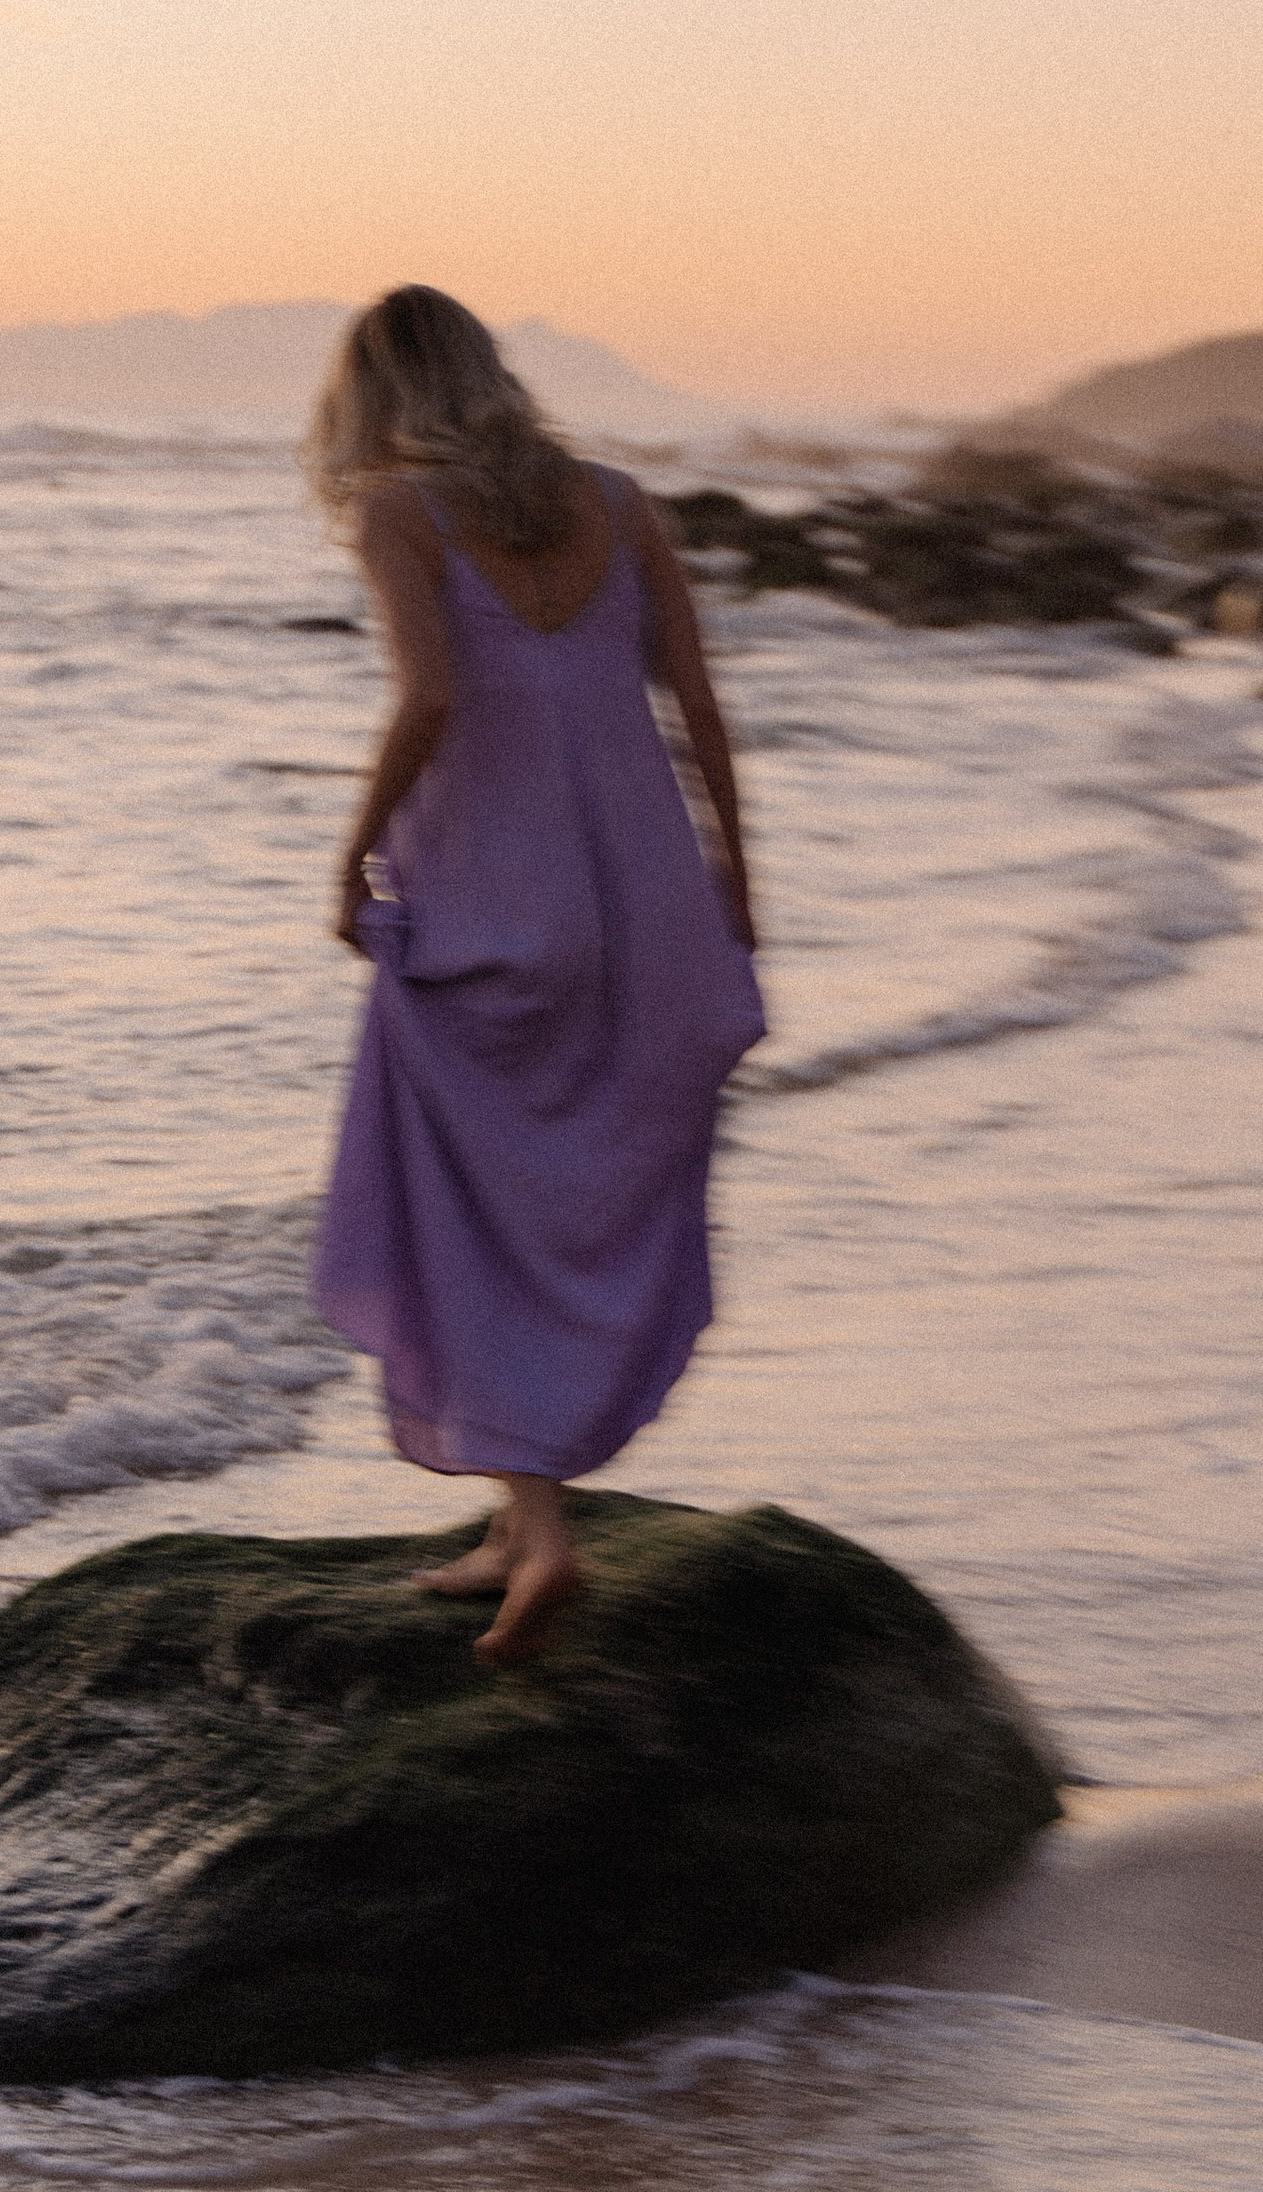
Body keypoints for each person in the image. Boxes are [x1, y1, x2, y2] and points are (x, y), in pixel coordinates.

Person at [305, 287, 764, 1660]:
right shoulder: (617, 503)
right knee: (577, 1200)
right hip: (646, 909)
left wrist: (352, 852)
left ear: (374, 394)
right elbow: (697, 703)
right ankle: (522, 1520)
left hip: (494, 904)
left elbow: (431, 696)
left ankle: (541, 1531)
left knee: (466, 1206)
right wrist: (736, 884)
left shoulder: (397, 511)